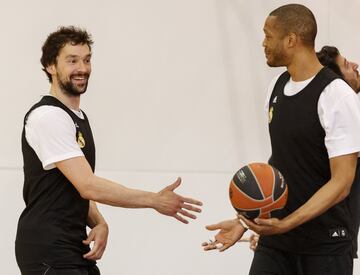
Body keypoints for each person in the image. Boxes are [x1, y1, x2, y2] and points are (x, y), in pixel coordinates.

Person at [15, 26, 203, 275]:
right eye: (72, 61)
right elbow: (87, 185)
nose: (82, 68)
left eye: (87, 59)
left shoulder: (75, 117)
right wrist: (154, 200)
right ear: (51, 66)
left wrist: (99, 222)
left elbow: (73, 186)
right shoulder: (48, 117)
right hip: (48, 247)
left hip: (72, 245)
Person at [202, 4, 360, 275]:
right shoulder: (276, 87)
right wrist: (244, 220)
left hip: (325, 246)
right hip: (277, 242)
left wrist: (288, 223)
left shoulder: (336, 96)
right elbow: (282, 164)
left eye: (268, 35)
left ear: (291, 39)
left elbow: (342, 183)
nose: (263, 43)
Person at [246, 46, 360, 256]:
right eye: (346, 65)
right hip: (286, 239)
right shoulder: (299, 94)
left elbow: (341, 184)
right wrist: (250, 221)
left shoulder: (346, 111)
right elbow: (283, 169)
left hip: (328, 241)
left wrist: (284, 224)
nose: (355, 65)